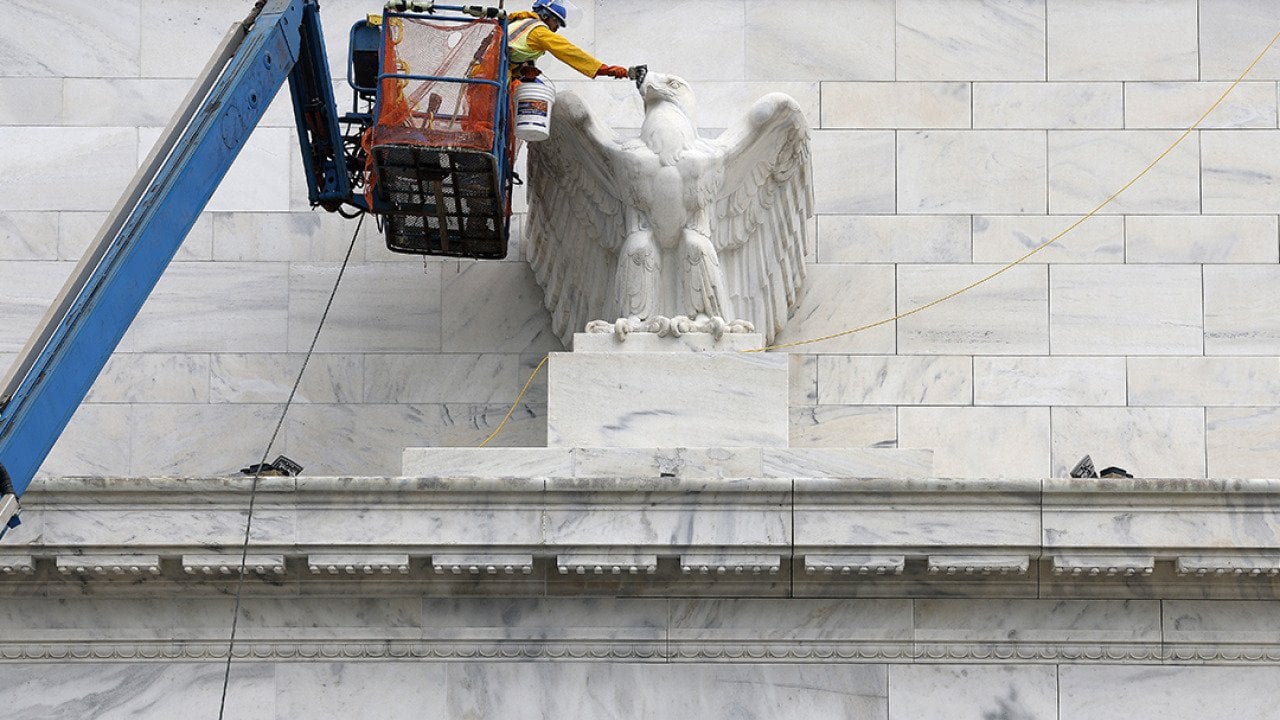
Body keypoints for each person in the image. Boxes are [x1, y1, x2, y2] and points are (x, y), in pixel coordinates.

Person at [506, 0, 630, 80]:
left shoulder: (520, 21)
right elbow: (570, 52)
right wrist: (605, 70)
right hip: (495, 76)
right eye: (556, 22)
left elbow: (510, 52)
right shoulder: (539, 31)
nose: (556, 29)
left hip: (493, 69)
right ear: (546, 15)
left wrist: (521, 70)